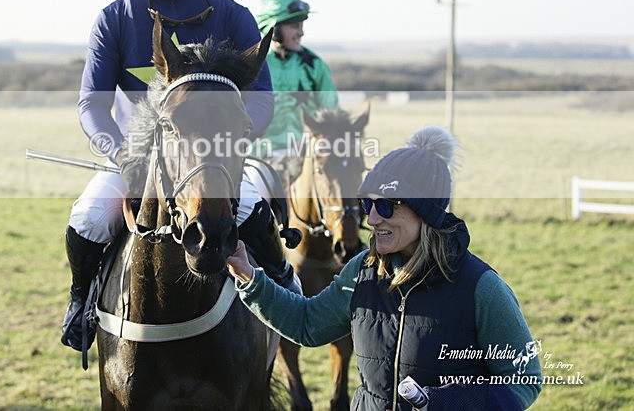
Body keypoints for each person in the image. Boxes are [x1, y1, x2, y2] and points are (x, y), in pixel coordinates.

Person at [60, 0, 299, 352]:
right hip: (138, 159)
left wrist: (229, 142)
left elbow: (262, 99)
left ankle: (287, 289)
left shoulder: (231, 13)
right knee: (87, 218)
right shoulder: (114, 18)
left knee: (250, 210)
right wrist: (124, 154)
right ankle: (82, 302)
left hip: (214, 160)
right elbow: (91, 104)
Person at [227, 126, 542, 410]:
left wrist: (445, 403)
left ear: (425, 211)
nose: (373, 219)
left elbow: (524, 379)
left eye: (386, 206)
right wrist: (248, 276)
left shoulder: (481, 288)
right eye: (368, 204)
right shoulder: (361, 271)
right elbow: (308, 325)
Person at [251, 0, 339, 188]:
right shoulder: (251, 66)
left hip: (306, 159)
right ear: (272, 28)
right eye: (294, 26)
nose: (301, 32)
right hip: (259, 159)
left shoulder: (314, 65)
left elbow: (332, 115)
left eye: (301, 25)